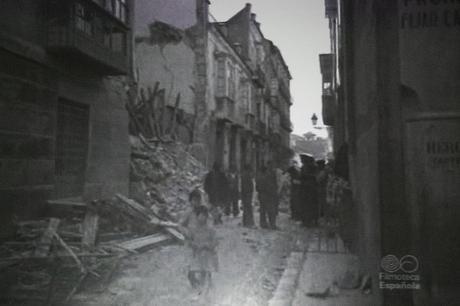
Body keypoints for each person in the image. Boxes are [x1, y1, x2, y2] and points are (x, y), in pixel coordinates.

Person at [186, 205, 219, 297]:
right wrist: (193, 245)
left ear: (207, 217)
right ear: (196, 216)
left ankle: (205, 294)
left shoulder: (210, 229)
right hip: (197, 255)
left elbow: (215, 242)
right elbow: (188, 241)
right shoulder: (193, 229)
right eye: (200, 215)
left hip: (207, 255)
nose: (202, 218)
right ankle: (198, 288)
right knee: (190, 274)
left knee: (205, 274)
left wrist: (205, 245)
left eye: (204, 216)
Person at [256, 163, 279, 229]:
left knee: (262, 210)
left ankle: (263, 224)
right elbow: (271, 186)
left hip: (261, 195)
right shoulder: (268, 176)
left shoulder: (258, 176)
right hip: (268, 195)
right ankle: (272, 225)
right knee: (271, 210)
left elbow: (257, 187)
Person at [299, 154, 318, 227]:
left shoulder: (305, 167)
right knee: (311, 205)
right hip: (310, 188)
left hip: (307, 189)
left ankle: (307, 221)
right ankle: (312, 221)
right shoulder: (313, 167)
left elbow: (302, 176)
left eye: (302, 159)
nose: (301, 161)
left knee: (306, 205)